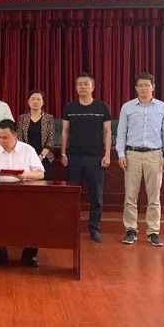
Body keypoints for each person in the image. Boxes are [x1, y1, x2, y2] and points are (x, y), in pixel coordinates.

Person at [115, 72, 164, 247]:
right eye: (140, 85)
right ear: (135, 88)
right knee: (130, 196)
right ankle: (130, 229)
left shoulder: (163, 108)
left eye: (147, 85)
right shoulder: (127, 107)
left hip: (154, 155)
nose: (143, 88)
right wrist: (121, 154)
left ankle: (153, 232)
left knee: (154, 197)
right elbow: (121, 132)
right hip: (132, 155)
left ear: (153, 87)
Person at [0, 119, 45, 267]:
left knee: (34, 218)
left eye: (5, 137)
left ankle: (29, 256)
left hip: (24, 193)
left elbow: (40, 174)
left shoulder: (27, 150)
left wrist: (24, 174)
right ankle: (0, 254)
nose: (2, 140)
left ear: (15, 136)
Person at [61, 73, 112, 243]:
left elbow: (107, 132)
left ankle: (94, 228)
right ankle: (71, 227)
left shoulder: (102, 107)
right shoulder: (70, 107)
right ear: (76, 88)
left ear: (93, 87)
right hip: (74, 156)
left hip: (95, 157)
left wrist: (107, 154)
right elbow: (65, 131)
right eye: (79, 84)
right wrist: (63, 152)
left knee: (96, 196)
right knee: (72, 195)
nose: (82, 87)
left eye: (86, 84)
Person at [16, 89, 56, 180]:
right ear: (28, 102)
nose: (35, 102)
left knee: (45, 184)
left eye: (38, 99)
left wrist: (41, 156)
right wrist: (29, 156)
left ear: (43, 102)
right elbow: (20, 139)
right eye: (33, 99)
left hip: (44, 157)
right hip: (26, 157)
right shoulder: (22, 118)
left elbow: (50, 140)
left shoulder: (49, 118)